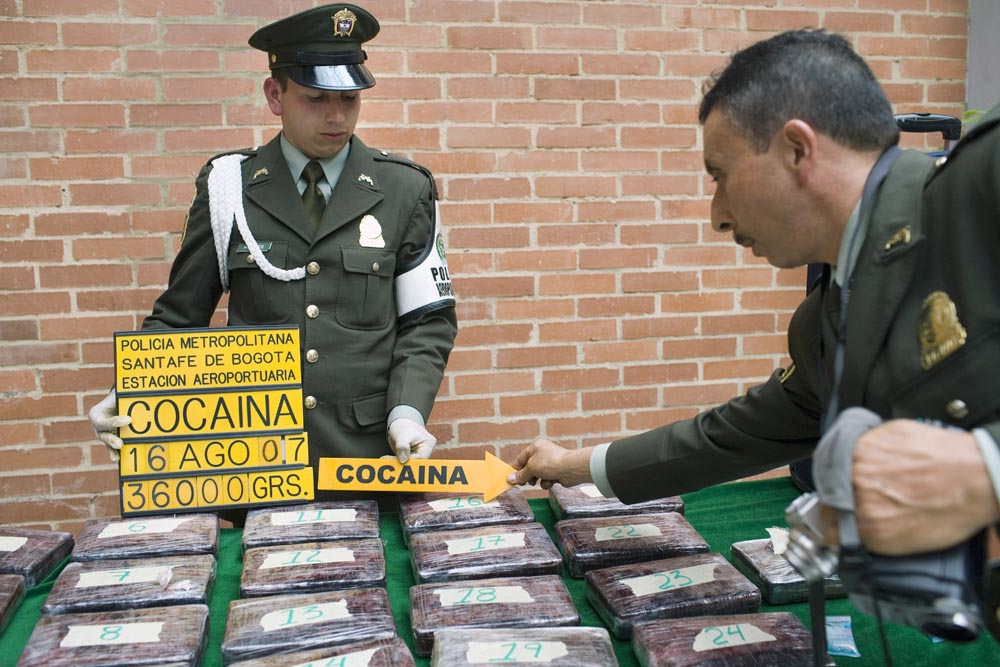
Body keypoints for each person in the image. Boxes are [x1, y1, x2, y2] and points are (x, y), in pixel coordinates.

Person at [509, 29, 1000, 562]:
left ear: (796, 149)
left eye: (720, 175)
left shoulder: (981, 184)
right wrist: (568, 466)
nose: (717, 215)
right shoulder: (825, 323)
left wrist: (984, 467)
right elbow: (729, 438)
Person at [88, 4, 457, 503]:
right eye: (316, 98)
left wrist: (407, 413)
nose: (336, 116)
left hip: (370, 461)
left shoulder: (403, 189)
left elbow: (427, 320)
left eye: (350, 99)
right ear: (274, 95)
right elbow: (180, 316)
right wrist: (131, 391)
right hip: (258, 463)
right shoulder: (228, 188)